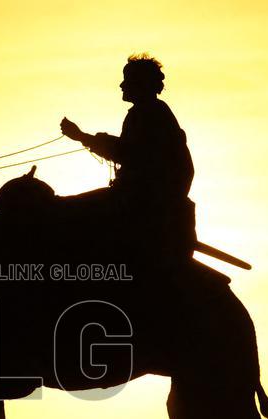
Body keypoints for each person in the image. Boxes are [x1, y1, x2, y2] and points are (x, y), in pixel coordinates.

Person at [60, 54, 196, 266]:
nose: (122, 85)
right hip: (141, 201)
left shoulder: (150, 114)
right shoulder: (150, 113)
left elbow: (131, 154)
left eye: (128, 79)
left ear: (141, 84)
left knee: (64, 213)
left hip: (142, 204)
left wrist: (82, 137)